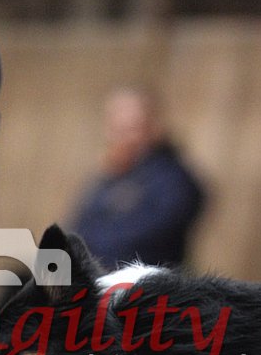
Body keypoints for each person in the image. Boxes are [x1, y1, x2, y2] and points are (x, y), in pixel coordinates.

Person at [68, 85, 205, 268]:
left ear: (154, 127)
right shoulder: (108, 180)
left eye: (131, 128)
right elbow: (77, 230)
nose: (121, 138)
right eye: (116, 128)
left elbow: (140, 242)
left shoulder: (173, 181)